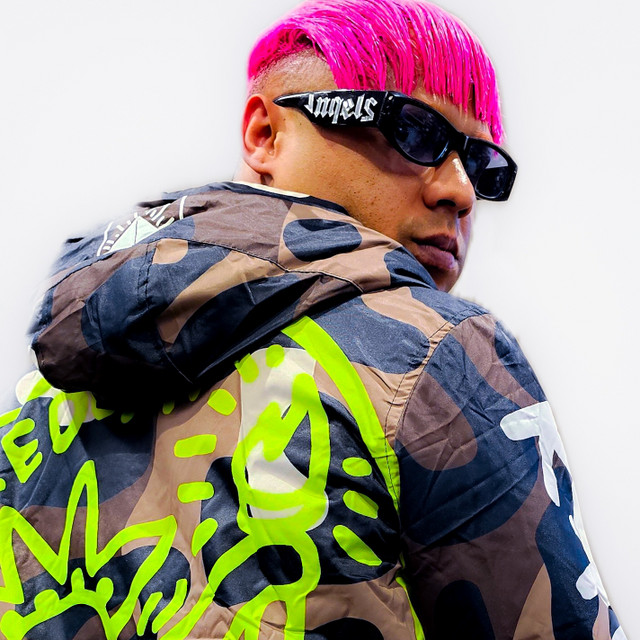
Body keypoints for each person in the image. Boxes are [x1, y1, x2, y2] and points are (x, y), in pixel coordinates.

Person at [0, 0, 626, 638]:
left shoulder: (37, 408)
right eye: (414, 132)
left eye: (483, 165)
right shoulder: (437, 353)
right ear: (265, 134)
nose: (461, 191)